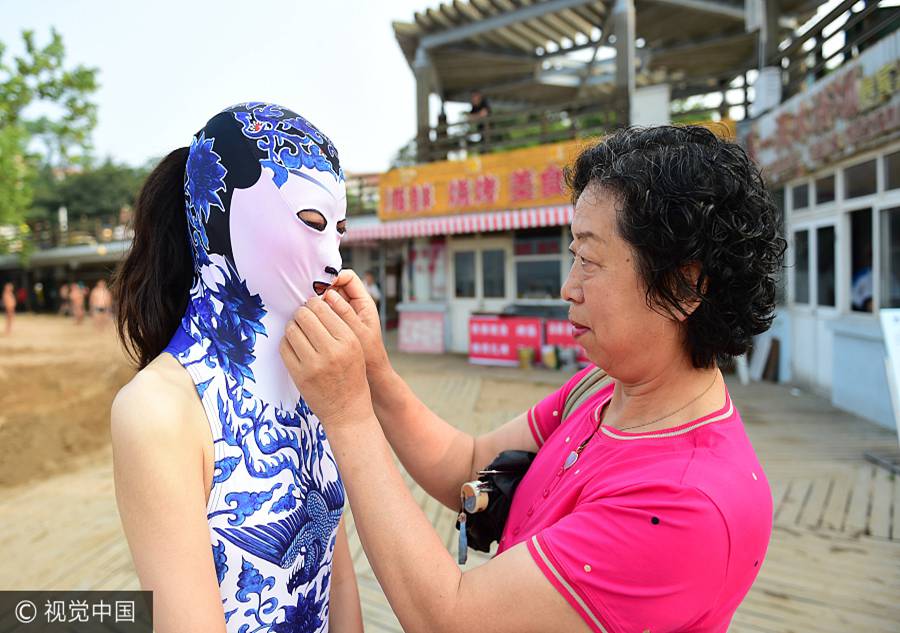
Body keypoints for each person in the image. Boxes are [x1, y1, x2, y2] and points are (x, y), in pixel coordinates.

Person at [281, 125, 784, 633]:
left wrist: (348, 415)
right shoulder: (602, 390)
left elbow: (451, 619)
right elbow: (472, 465)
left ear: (684, 284)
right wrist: (376, 374)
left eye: (589, 260)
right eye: (573, 257)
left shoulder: (685, 504)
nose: (569, 287)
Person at [110, 102, 362, 633]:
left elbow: (338, 579)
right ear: (224, 218)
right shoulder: (158, 411)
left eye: (338, 229)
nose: (334, 259)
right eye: (311, 223)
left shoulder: (315, 376)